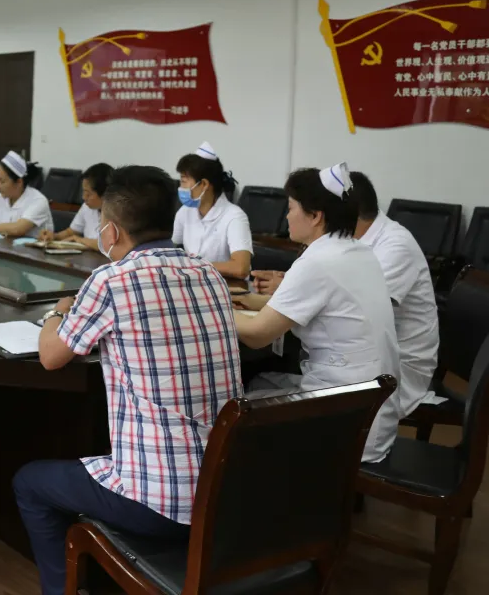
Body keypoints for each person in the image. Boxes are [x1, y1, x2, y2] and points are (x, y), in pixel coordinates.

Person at [15, 165, 242, 595]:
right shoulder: (209, 274)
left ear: (112, 231)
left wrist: (57, 313)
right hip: (225, 490)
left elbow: (50, 356)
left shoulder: (111, 280)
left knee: (30, 482)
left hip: (159, 504)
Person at [232, 163, 401, 463]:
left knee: (230, 416)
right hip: (371, 406)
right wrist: (240, 303)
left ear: (315, 216)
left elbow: (258, 335)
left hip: (348, 421)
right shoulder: (357, 251)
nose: (286, 216)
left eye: (291, 208)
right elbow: (295, 305)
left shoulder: (319, 262)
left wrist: (210, 311)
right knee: (260, 382)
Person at [255, 172, 439, 418]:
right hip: (361, 372)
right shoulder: (352, 247)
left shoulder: (394, 245)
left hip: (394, 372)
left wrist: (290, 286)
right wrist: (290, 286)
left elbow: (347, 299)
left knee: (244, 403)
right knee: (258, 381)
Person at [171, 141, 253, 280]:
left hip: (227, 287)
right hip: (196, 282)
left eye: (184, 181)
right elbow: (170, 248)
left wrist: (193, 265)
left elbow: (240, 268)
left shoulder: (234, 216)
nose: (181, 187)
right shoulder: (184, 212)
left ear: (204, 184)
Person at [38, 163, 113, 251]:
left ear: (105, 194)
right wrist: (54, 236)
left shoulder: (120, 213)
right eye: (83, 192)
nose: (83, 197)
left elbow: (111, 246)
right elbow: (71, 232)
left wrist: (80, 240)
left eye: (88, 194)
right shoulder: (86, 207)